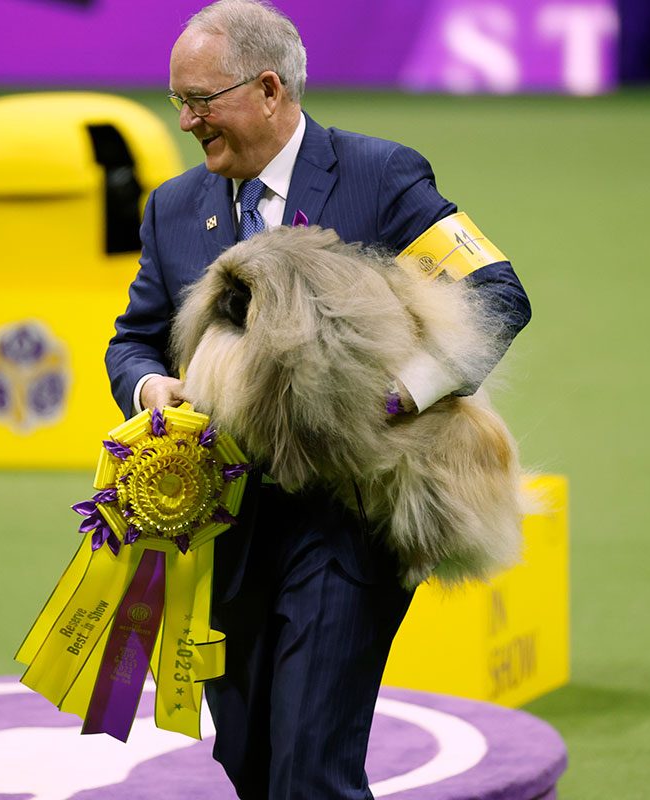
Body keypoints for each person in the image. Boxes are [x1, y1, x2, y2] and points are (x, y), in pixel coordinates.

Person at [104, 1, 531, 796]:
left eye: (202, 99)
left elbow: (498, 296)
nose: (188, 121)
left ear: (269, 88)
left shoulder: (382, 176)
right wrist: (149, 384)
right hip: (225, 523)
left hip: (349, 516)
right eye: (179, 102)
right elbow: (132, 338)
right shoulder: (171, 209)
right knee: (253, 762)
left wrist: (401, 400)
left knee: (311, 765)